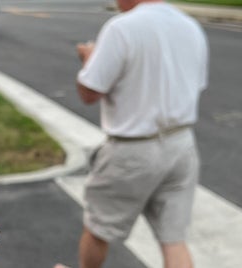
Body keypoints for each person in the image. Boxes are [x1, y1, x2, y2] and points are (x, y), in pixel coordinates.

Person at [59, 0, 208, 267]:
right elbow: (196, 84)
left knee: (98, 229)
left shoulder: (121, 28)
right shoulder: (190, 26)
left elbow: (89, 92)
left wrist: (89, 61)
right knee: (173, 238)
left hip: (133, 150)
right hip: (182, 144)